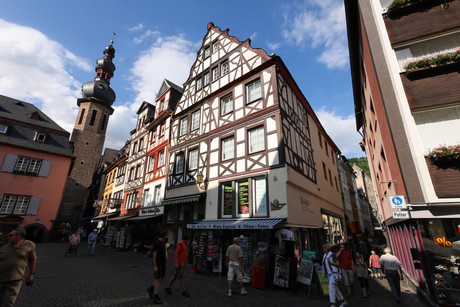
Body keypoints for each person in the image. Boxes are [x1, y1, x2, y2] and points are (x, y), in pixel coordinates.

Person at [0, 228, 37, 307]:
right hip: (1, 278)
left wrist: (31, 274)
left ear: (19, 236)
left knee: (8, 303)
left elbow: (33, 259)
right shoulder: (4, 245)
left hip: (15, 280)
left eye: (10, 235)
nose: (8, 237)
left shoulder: (30, 245)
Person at [164, 234, 190, 298]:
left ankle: (168, 287)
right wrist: (176, 263)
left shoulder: (183, 244)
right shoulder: (181, 244)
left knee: (175, 275)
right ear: (186, 239)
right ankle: (184, 291)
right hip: (180, 264)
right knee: (181, 277)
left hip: (182, 263)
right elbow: (176, 253)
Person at [150, 231, 168, 305]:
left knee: (160, 278)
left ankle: (151, 288)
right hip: (158, 264)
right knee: (158, 279)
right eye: (166, 235)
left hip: (162, 264)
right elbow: (154, 255)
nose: (166, 237)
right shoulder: (157, 243)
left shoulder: (162, 243)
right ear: (163, 236)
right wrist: (155, 266)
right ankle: (155, 296)